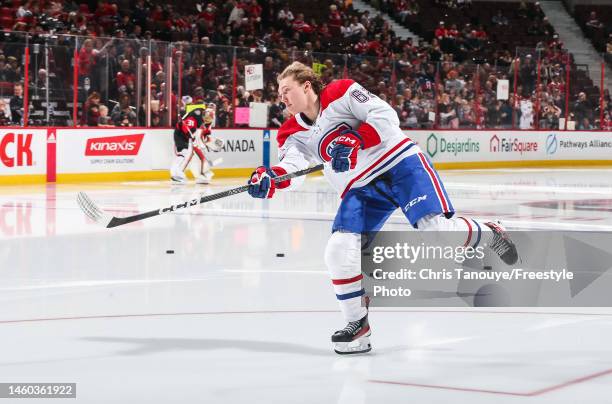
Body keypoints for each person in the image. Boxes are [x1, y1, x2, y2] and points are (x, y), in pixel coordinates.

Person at [246, 62, 519, 355]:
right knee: (338, 250)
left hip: (400, 164)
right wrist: (271, 177)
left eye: (287, 90)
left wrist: (356, 138)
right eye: (279, 92)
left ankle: (491, 234)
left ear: (307, 86)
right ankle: (357, 325)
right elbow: (292, 166)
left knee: (439, 232)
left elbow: (385, 115)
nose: (282, 97)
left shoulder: (341, 91)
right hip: (361, 188)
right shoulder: (290, 131)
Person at [191, 108, 224, 184]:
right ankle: (201, 176)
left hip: (199, 145)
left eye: (209, 117)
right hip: (196, 145)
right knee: (201, 161)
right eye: (206, 116)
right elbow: (198, 137)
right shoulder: (200, 125)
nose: (207, 118)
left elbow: (205, 138)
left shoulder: (207, 126)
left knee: (202, 161)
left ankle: (202, 176)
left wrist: (212, 143)